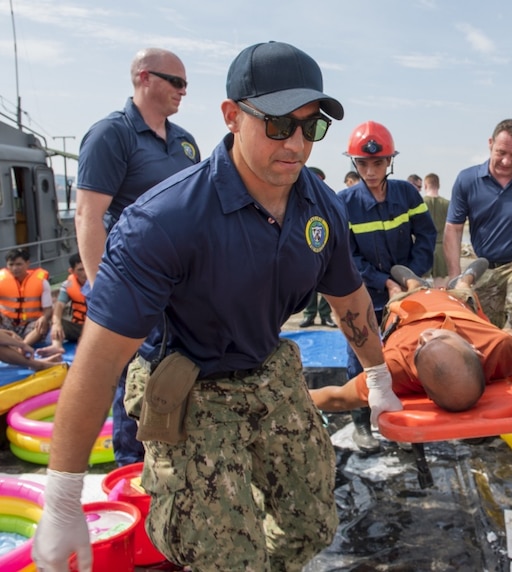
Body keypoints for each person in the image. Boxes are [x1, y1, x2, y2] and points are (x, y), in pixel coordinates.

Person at [31, 40, 401, 572]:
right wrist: (63, 495)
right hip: (189, 382)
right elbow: (98, 359)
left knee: (312, 522)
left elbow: (349, 298)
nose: (296, 143)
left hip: (266, 365)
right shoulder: (165, 222)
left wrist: (380, 379)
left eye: (310, 126)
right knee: (223, 555)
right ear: (231, 116)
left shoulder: (319, 206)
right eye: (278, 124)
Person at [75, 47, 201, 466]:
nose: (184, 91)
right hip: (132, 285)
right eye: (176, 82)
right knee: (131, 379)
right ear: (144, 78)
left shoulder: (185, 143)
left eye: (185, 83)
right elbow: (88, 215)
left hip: (180, 289)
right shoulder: (111, 135)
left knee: (180, 372)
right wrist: (101, 291)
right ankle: (131, 468)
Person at [339, 121, 437, 452]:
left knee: (407, 353)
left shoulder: (407, 194)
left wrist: (411, 275)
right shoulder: (344, 203)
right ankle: (361, 422)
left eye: (377, 162)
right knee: (361, 357)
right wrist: (384, 282)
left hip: (405, 293)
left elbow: (426, 236)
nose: (370, 170)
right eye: (362, 163)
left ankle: (407, 415)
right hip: (363, 294)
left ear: (389, 161)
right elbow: (346, 255)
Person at [311, 259, 512, 414]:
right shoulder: (499, 347)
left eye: (421, 349)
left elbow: (338, 398)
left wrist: (285, 399)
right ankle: (464, 279)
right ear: (475, 350)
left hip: (407, 310)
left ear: (424, 390)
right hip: (456, 303)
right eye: (441, 337)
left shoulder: (394, 369)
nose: (425, 335)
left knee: (396, 298)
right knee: (465, 291)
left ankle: (412, 284)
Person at [443, 119, 512, 338]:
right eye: (501, 152)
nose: (506, 161)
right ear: (490, 144)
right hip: (483, 268)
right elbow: (454, 229)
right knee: (477, 327)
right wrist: (455, 276)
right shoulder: (467, 180)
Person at [301, 167, 336, 328]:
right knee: (309, 286)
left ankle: (325, 315)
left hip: (326, 251)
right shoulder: (297, 201)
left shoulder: (328, 201)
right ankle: (309, 315)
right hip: (305, 252)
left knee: (328, 285)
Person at [0, 248, 53, 347]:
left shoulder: (42, 282)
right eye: (11, 265)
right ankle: (11, 342)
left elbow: (48, 309)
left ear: (27, 263)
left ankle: (23, 346)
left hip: (30, 323)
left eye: (19, 264)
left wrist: (44, 318)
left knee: (43, 324)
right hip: (7, 322)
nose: (15, 268)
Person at [48, 253, 89, 352]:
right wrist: (56, 324)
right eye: (80, 270)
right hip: (77, 326)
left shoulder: (101, 282)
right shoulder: (68, 285)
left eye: (86, 268)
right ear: (72, 271)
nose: (85, 273)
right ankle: (56, 346)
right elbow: (60, 305)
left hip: (97, 327)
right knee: (54, 319)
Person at [422, 173, 450, 285]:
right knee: (440, 284)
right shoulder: (447, 204)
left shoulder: (419, 203)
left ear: (425, 185)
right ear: (438, 185)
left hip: (423, 247)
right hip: (441, 247)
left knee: (420, 284)